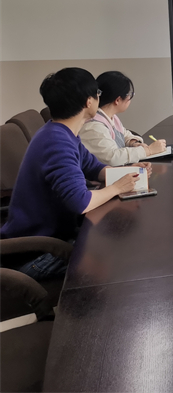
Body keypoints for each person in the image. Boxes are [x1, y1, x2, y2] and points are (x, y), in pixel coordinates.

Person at [0, 68, 149, 281]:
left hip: (55, 237)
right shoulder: (56, 142)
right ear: (89, 102)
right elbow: (81, 202)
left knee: (122, 248)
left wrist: (130, 172)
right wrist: (117, 187)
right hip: (36, 254)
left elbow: (95, 168)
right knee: (120, 264)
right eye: (98, 93)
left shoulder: (62, 132)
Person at [79, 71, 167, 166]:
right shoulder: (94, 126)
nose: (130, 98)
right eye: (129, 95)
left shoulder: (110, 117)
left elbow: (123, 134)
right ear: (117, 100)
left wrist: (133, 142)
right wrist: (148, 151)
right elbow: (112, 158)